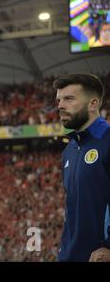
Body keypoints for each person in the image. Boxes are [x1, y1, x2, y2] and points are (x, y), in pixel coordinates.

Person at [54, 73, 110, 262]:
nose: (60, 105)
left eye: (69, 99)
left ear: (93, 104)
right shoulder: (70, 149)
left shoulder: (108, 141)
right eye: (59, 100)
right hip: (70, 254)